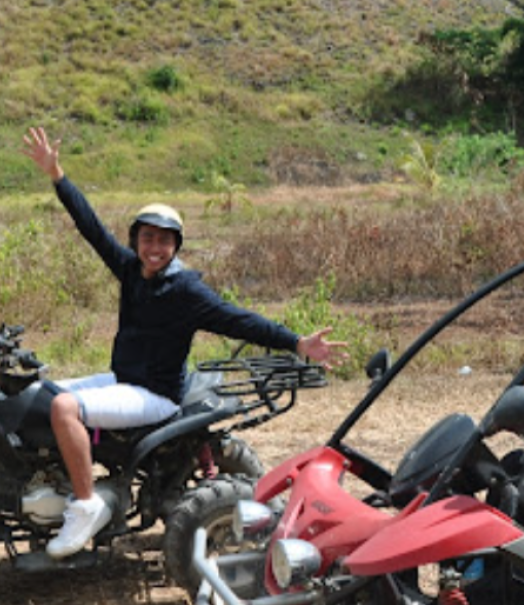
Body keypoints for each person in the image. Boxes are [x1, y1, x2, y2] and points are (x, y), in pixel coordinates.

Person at [22, 126, 346, 558]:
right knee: (46, 394)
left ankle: (86, 505)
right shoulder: (132, 270)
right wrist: (58, 176)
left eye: (163, 240)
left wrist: (297, 342)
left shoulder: (186, 291)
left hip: (155, 395)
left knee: (65, 408)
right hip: (124, 380)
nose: (154, 247)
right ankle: (58, 485)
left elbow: (239, 320)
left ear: (175, 246)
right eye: (147, 237)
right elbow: (92, 229)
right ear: (137, 240)